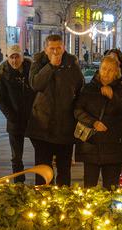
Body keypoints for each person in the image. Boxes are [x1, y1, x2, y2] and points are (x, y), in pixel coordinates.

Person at [28, 35, 84, 185]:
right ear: (45, 49)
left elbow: (80, 87)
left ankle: (63, 200)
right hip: (42, 126)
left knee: (64, 169)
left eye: (58, 48)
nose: (55, 52)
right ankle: (43, 200)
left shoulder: (71, 63)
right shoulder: (38, 62)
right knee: (43, 170)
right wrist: (51, 66)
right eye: (51, 48)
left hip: (65, 126)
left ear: (64, 47)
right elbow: (36, 84)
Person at [73, 51, 122, 187]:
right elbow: (77, 110)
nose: (106, 72)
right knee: (90, 186)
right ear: (99, 69)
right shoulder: (88, 88)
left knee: (111, 186)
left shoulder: (121, 90)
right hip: (91, 144)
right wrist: (93, 122)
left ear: (116, 72)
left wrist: (114, 97)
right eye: (104, 69)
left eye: (110, 70)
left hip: (114, 145)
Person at [0, 47, 35, 179]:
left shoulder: (32, 70)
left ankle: (43, 182)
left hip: (33, 119)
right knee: (16, 157)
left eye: (17, 57)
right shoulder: (2, 74)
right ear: (7, 58)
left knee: (42, 153)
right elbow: (0, 99)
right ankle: (19, 185)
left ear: (22, 57)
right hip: (14, 120)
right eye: (11, 57)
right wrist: (10, 116)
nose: (14, 60)